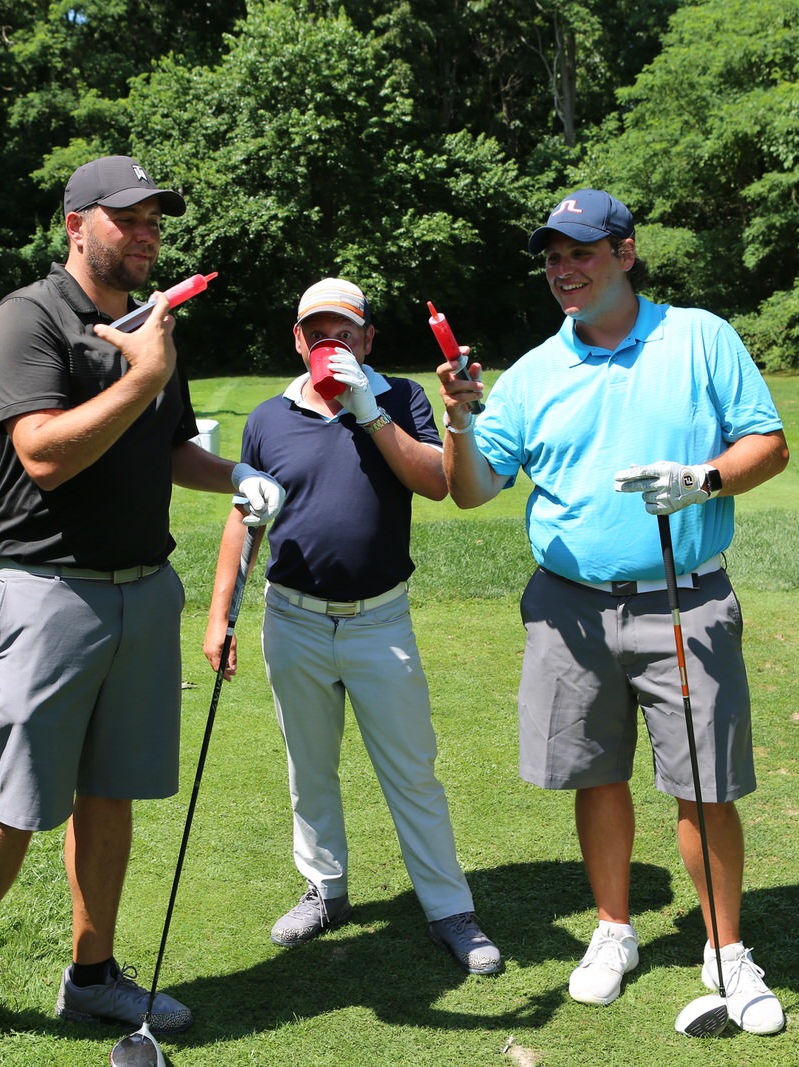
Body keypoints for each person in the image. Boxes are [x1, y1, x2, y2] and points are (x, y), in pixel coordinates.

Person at [0, 155, 286, 1066]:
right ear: (76, 224)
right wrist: (141, 374)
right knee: (14, 802)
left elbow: (171, 446)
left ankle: (93, 973)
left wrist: (240, 474)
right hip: (48, 590)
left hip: (145, 587)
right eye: (127, 218)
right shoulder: (29, 318)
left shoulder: (150, 324)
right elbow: (43, 454)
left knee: (112, 792)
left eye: (155, 220)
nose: (146, 234)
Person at [436, 189, 790, 1034]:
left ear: (626, 253)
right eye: (553, 257)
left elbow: (769, 444)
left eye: (581, 252)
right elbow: (472, 488)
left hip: (685, 598)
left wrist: (702, 479)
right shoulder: (532, 373)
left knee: (705, 784)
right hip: (570, 610)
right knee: (596, 775)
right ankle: (614, 929)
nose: (564, 269)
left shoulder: (699, 337)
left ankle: (725, 948)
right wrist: (458, 420)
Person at [203, 278, 502, 977]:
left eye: (344, 332)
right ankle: (325, 890)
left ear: (367, 339)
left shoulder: (402, 398)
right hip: (293, 617)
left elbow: (435, 481)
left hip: (379, 619)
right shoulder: (269, 417)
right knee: (309, 767)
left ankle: (449, 908)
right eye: (317, 333)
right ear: (297, 340)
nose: (329, 344)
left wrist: (368, 410)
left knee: (412, 770)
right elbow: (245, 517)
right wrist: (220, 614)